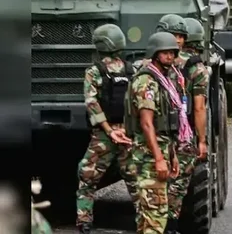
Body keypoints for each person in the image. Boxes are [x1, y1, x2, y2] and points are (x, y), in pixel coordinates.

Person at [76, 24, 137, 234]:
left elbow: (92, 104)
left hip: (104, 134)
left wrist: (109, 130)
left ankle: (84, 222)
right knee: (135, 179)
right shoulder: (132, 70)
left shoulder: (94, 72)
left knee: (87, 178)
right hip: (128, 134)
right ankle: (146, 221)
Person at [125, 32, 184, 234]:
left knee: (148, 217)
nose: (170, 56)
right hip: (148, 157)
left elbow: (166, 127)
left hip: (160, 152)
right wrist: (159, 158)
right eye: (165, 52)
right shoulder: (147, 82)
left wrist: (172, 156)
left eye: (172, 53)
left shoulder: (163, 81)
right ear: (155, 54)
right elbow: (147, 123)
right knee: (156, 215)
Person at [165, 17, 210, 231]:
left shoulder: (148, 64)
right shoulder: (196, 67)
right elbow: (199, 108)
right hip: (183, 131)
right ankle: (172, 225)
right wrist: (202, 140)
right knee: (178, 181)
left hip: (154, 132)